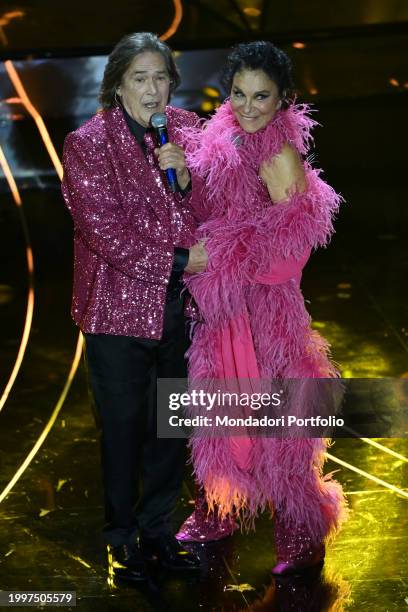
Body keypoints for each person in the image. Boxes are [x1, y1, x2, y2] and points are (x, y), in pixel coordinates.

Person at [175, 41, 348, 575]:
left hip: (267, 312)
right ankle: (219, 505)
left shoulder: (279, 154)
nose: (248, 106)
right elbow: (204, 203)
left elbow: (290, 252)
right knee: (219, 406)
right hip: (223, 308)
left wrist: (219, 258)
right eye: (239, 93)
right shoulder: (219, 136)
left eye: (262, 96)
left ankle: (301, 527)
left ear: (284, 100)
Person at [61, 32, 207, 583]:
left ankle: (159, 530)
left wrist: (189, 181)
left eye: (161, 78)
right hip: (117, 314)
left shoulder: (188, 131)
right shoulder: (88, 144)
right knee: (122, 430)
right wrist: (180, 260)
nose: (153, 90)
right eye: (140, 78)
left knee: (171, 427)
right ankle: (120, 539)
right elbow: (105, 233)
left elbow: (219, 205)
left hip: (181, 312)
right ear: (118, 84)